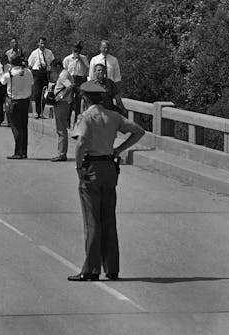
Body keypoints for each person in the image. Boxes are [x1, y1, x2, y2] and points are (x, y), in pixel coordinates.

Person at [67, 81, 144, 282]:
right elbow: (138, 131)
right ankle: (112, 268)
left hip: (92, 167)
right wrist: (118, 150)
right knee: (109, 218)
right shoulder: (113, 116)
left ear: (84, 98)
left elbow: (81, 142)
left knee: (92, 221)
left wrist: (78, 167)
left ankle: (91, 269)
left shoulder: (86, 117)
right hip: (110, 168)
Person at [1, 54, 33, 159]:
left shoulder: (9, 73)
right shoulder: (28, 72)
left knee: (15, 126)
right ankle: (24, 151)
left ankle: (18, 151)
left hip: (14, 101)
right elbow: (32, 83)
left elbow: (2, 82)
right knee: (24, 126)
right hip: (25, 101)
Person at [49, 59, 75, 161]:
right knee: (61, 128)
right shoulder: (64, 74)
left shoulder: (63, 75)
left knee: (61, 129)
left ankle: (61, 153)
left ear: (58, 66)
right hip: (63, 103)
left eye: (54, 68)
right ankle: (61, 152)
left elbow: (70, 86)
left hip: (62, 104)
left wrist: (60, 97)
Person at [28, 37, 55, 119]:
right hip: (37, 73)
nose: (43, 45)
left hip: (45, 73)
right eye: (41, 43)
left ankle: (42, 112)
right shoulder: (34, 53)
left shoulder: (49, 52)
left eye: (44, 43)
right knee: (37, 93)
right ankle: (37, 112)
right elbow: (30, 65)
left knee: (44, 93)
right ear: (38, 43)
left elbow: (52, 63)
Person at [63, 41, 89, 121]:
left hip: (80, 80)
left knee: (78, 101)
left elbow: (88, 69)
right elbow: (64, 73)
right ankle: (67, 120)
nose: (76, 53)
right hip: (70, 80)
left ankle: (76, 121)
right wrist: (67, 85)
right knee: (69, 101)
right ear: (72, 50)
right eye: (75, 51)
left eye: (78, 51)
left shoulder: (83, 58)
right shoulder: (67, 59)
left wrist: (81, 60)